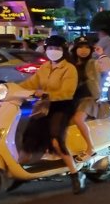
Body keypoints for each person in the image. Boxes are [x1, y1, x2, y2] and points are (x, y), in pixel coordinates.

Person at [18, 36, 85, 193]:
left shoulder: (69, 68)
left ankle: (75, 174)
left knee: (56, 139)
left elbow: (67, 92)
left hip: (62, 106)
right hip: (44, 105)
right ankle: (20, 172)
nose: (53, 51)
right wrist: (11, 88)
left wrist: (45, 94)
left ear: (63, 50)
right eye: (50, 48)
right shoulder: (45, 67)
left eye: (57, 48)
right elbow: (30, 83)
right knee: (29, 136)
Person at [69, 36, 101, 160]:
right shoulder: (70, 63)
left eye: (87, 47)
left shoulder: (93, 62)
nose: (83, 50)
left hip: (88, 98)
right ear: (75, 49)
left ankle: (90, 147)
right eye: (80, 47)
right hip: (72, 98)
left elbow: (107, 67)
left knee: (78, 119)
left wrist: (101, 55)